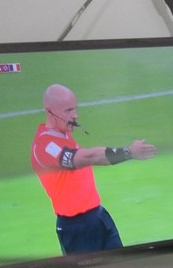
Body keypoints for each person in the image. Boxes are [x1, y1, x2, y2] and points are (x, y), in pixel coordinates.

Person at [31, 84, 157, 254]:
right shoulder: (45, 145)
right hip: (76, 229)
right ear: (50, 111)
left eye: (74, 109)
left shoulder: (62, 135)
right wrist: (128, 152)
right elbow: (87, 157)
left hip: (99, 216)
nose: (75, 115)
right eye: (68, 111)